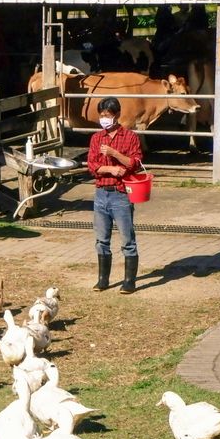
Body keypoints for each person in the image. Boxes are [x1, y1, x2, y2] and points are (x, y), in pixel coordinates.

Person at [87, 97, 143, 294]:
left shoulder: (130, 137)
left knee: (127, 239)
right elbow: (92, 166)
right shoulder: (96, 138)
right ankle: (103, 279)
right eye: (101, 115)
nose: (104, 119)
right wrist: (110, 169)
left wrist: (115, 153)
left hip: (121, 195)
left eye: (107, 115)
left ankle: (129, 281)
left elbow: (134, 163)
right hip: (101, 193)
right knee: (101, 239)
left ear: (117, 115)